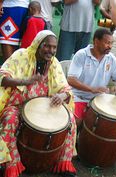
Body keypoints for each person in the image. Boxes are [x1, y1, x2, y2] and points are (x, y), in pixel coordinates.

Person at [0, 30, 77, 177]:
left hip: (44, 106)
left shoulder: (54, 63)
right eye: (47, 46)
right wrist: (25, 81)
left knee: (70, 119)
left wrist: (61, 96)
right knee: (10, 119)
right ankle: (10, 165)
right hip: (18, 105)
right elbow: (2, 77)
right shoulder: (21, 55)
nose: (51, 51)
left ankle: (64, 164)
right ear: (37, 44)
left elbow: (66, 88)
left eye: (54, 47)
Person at [67, 28, 116, 128]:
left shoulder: (111, 58)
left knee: (110, 124)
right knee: (77, 122)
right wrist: (92, 89)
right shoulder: (82, 55)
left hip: (100, 99)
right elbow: (71, 80)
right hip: (79, 97)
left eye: (111, 43)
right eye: (107, 43)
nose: (110, 46)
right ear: (96, 41)